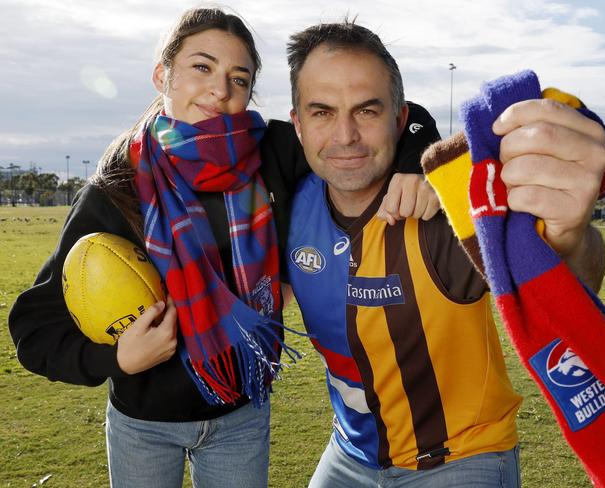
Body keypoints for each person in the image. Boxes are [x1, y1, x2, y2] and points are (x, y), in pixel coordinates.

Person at [8, 8, 438, 488]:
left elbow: (401, 118)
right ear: (162, 75)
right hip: (142, 423)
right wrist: (118, 361)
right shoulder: (117, 185)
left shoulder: (272, 148)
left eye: (239, 78)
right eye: (202, 67)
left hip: (240, 416)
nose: (220, 90)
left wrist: (415, 166)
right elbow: (33, 327)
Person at [284, 21, 605, 487]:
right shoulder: (285, 203)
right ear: (297, 124)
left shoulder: (444, 210)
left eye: (367, 111)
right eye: (321, 112)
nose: (346, 135)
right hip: (349, 454)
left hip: (462, 457)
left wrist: (572, 232)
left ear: (400, 119)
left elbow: (570, 278)